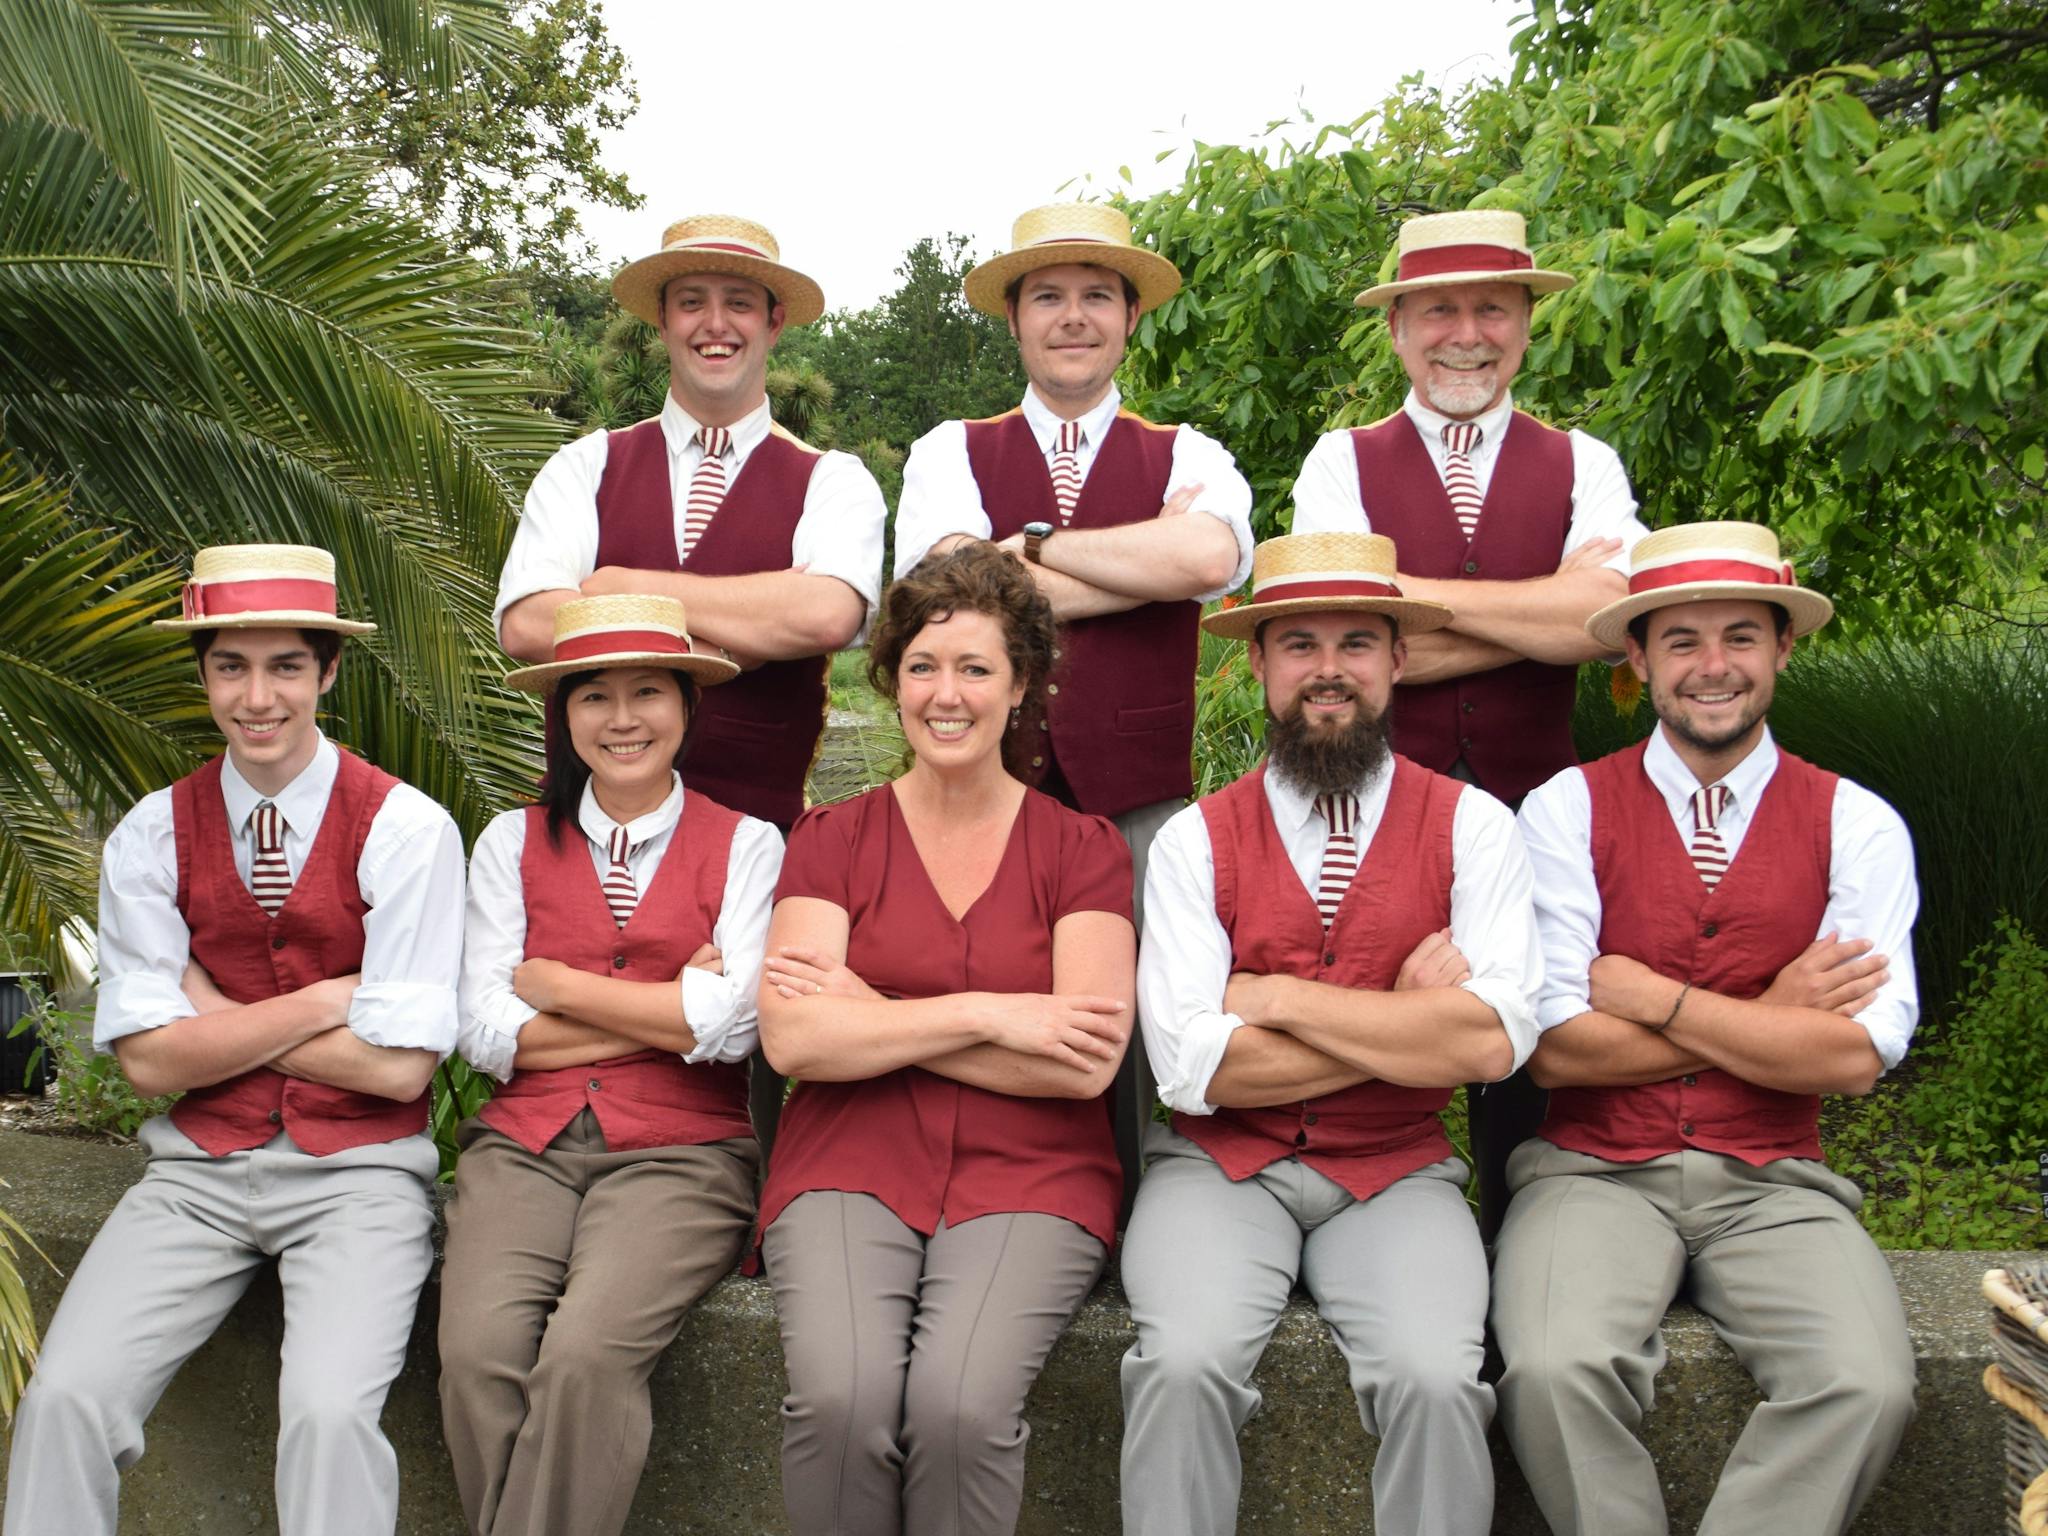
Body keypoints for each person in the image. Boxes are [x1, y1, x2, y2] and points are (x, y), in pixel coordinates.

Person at [3, 545, 465, 1536]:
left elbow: (399, 1070)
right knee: (64, 1401)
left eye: (285, 666)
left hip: (360, 1176)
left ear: (328, 672)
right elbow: (148, 1063)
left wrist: (210, 1012)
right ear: (204, 674)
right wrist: (325, 1000)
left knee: (329, 1419)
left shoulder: (406, 829)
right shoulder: (150, 835)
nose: (257, 698)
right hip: (195, 1174)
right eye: (230, 667)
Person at [1493, 520, 1920, 1536]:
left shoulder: (1856, 822)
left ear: (1781, 648)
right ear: (1638, 660)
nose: (1712, 665)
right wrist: (1771, 1017)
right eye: (1681, 641)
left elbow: (1851, 1057)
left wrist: (1655, 998)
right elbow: (1557, 1050)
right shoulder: (1561, 811)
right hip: (1592, 1172)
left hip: (1777, 1184)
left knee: (1867, 1383)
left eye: (1740, 636)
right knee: (1550, 1369)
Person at [1119, 530, 1543, 1536]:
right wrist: (1405, 1018)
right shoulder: (1192, 839)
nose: (1328, 670)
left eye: (1356, 642)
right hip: (1218, 1169)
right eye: (1298, 644)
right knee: (1180, 1366)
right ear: (1258, 664)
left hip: (1396, 1172)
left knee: (1438, 1380)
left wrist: (1273, 997)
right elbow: (1191, 1070)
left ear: (1398, 659)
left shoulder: (1475, 826)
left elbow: (1489, 1046)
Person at [753, 541, 1137, 1536]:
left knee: (959, 1409)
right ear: (892, 680)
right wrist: (987, 1012)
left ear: (1022, 685)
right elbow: (796, 1041)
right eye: (922, 666)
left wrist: (872, 1011)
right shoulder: (830, 841)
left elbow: (1084, 1061)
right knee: (839, 1403)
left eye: (975, 668)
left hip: (1035, 1172)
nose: (946, 695)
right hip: (848, 1159)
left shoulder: (1083, 850)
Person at [1290, 204, 1652, 1233]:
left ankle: (1524, 1246)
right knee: (1378, 1024)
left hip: (1539, 803)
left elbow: (1607, 620)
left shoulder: (1582, 461)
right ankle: (1378, 1235)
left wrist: (1401, 611)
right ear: (1397, 329)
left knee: (1526, 1041)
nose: (1465, 334)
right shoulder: (1339, 460)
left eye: (1491, 309)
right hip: (1372, 803)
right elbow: (1337, 639)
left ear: (1525, 324)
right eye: (1438, 310)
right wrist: (1548, 616)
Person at [894, 200, 1254, 1198]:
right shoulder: (948, 448)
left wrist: (1028, 550)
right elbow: (947, 589)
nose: (1072, 316)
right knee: (982, 990)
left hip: (1138, 795)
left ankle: (1130, 1214)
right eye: (1047, 296)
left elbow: (1208, 558)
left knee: (1131, 1009)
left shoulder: (1186, 450)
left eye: (1097, 295)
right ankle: (991, 1200)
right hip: (984, 786)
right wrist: (1140, 568)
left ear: (1130, 317)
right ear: (1013, 318)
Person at [438, 594, 781, 1536]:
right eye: (594, 696)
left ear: (687, 706)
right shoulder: (509, 841)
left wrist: (555, 985)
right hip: (525, 1145)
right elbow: (483, 1030)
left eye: (647, 692)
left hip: (686, 1154)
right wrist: (668, 1008)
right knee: (477, 1355)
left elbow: (736, 1029)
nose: (622, 718)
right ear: (565, 714)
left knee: (585, 1355)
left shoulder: (749, 844)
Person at [494, 213, 887, 833]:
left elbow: (827, 615)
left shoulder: (833, 479)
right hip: (583, 841)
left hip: (763, 848)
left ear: (774, 322)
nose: (715, 324)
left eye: (739, 303)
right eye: (691, 302)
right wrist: (721, 647)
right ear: (663, 320)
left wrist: (620, 588)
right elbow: (527, 624)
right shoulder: (584, 465)